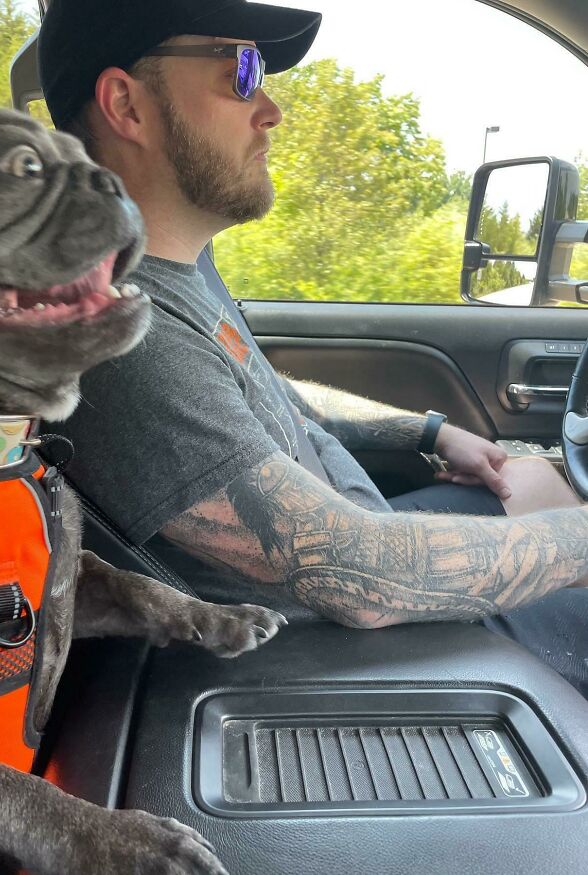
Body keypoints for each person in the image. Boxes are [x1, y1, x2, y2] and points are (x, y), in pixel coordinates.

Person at [37, 0, 588, 692]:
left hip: (375, 553)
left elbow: (272, 392)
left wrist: (431, 433)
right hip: (355, 646)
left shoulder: (173, 279)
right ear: (126, 104)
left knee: (542, 488)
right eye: (241, 70)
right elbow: (362, 577)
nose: (270, 108)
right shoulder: (122, 335)